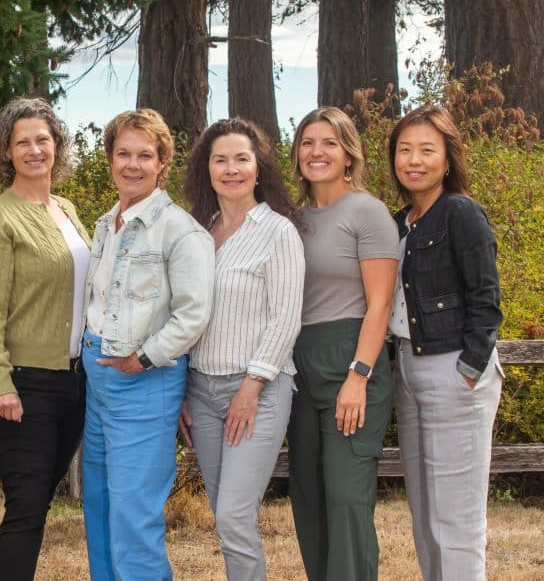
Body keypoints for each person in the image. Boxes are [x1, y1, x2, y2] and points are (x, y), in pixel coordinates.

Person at [81, 108, 214, 581]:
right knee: (98, 504)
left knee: (134, 515)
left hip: (142, 381)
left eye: (144, 155)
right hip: (97, 379)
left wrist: (145, 357)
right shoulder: (105, 223)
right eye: (123, 154)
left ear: (162, 163)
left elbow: (193, 312)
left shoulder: (179, 230)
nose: (132, 165)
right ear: (110, 159)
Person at [0, 97, 91, 581]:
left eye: (43, 139)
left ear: (57, 146)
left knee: (39, 504)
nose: (35, 150)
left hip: (74, 381)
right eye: (23, 143)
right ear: (6, 152)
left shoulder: (67, 209)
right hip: (23, 385)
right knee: (26, 507)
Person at [179, 118, 304, 580]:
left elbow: (286, 318)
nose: (231, 169)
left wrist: (251, 387)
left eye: (241, 159)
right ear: (207, 169)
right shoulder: (196, 233)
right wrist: (181, 389)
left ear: (258, 167)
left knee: (234, 514)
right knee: (225, 513)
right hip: (201, 391)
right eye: (220, 160)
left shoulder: (278, 232)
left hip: (257, 389)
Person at [388, 105, 503, 581]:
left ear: (448, 159)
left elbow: (486, 298)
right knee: (426, 514)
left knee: (455, 518)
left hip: (454, 370)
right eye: (405, 149)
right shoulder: (402, 221)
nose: (414, 160)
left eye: (427, 150)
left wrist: (470, 368)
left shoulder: (461, 212)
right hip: (410, 371)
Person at [286, 106, 398, 581]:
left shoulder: (367, 212)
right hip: (297, 364)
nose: (318, 152)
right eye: (308, 142)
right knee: (308, 496)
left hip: (350, 357)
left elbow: (380, 305)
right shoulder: (291, 218)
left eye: (329, 143)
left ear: (348, 154)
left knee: (347, 497)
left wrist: (359, 375)